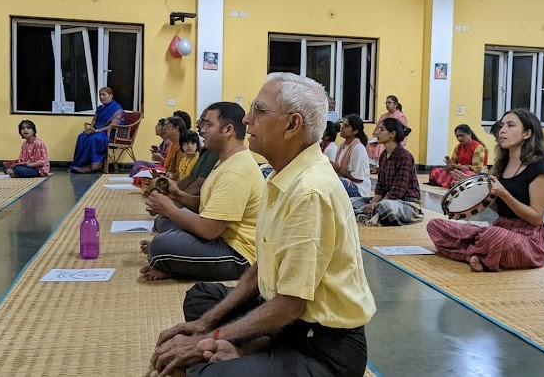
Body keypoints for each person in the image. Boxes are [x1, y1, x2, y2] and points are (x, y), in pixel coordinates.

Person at [150, 73, 375, 377]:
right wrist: (204, 325)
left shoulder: (310, 191)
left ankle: (254, 348)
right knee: (201, 298)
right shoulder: (279, 175)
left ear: (292, 125)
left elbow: (291, 305)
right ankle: (255, 346)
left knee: (201, 373)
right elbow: (258, 269)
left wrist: (213, 336)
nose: (247, 118)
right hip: (285, 322)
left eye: (259, 110)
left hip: (321, 347)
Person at [141, 102, 263, 282]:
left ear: (228, 130)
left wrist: (170, 208)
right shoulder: (224, 161)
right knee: (165, 222)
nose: (202, 130)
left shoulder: (235, 171)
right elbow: (210, 207)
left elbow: (209, 230)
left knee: (160, 245)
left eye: (208, 124)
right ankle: (171, 261)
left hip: (238, 254)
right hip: (219, 237)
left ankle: (168, 261)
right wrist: (178, 195)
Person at [427, 109, 544, 272]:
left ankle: (473, 252)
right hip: (499, 228)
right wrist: (475, 189)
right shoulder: (501, 166)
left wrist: (504, 194)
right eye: (502, 126)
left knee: (492, 235)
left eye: (511, 125)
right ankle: (476, 255)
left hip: (527, 239)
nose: (503, 130)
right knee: (435, 226)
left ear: (527, 133)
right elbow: (496, 205)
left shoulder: (538, 168)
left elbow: (536, 218)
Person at [352, 118, 423, 226]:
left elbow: (398, 191)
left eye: (381, 129)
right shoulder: (383, 155)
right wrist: (373, 203)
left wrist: (375, 205)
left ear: (392, 134)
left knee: (384, 207)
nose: (376, 133)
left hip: (407, 204)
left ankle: (368, 213)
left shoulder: (404, 157)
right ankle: (369, 213)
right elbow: (380, 185)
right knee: (352, 202)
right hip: (388, 199)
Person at [70, 87, 124, 173]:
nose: (101, 97)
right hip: (97, 131)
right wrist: (91, 128)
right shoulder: (100, 108)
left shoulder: (116, 108)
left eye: (104, 94)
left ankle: (93, 165)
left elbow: (113, 125)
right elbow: (95, 120)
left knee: (94, 139)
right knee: (82, 136)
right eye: (100, 95)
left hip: (109, 133)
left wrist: (98, 130)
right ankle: (78, 164)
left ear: (111, 95)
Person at [428, 124, 488, 188]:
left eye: (462, 135)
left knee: (468, 175)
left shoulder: (478, 147)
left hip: (473, 174)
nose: (459, 138)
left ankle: (452, 184)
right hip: (458, 172)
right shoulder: (458, 147)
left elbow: (477, 169)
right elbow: (454, 164)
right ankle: (454, 184)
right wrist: (450, 165)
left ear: (469, 134)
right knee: (436, 171)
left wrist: (458, 166)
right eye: (457, 136)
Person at [333, 114, 371, 198]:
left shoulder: (358, 148)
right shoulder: (342, 146)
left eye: (346, 126)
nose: (342, 128)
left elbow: (358, 178)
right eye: (342, 124)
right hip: (345, 181)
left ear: (355, 131)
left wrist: (337, 168)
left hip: (359, 188)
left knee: (333, 182)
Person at [366, 95, 408, 170]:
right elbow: (376, 130)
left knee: (381, 146)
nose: (387, 105)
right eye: (386, 103)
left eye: (389, 102)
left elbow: (402, 132)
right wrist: (377, 134)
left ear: (395, 105)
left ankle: (381, 167)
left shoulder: (401, 116)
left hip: (396, 139)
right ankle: (375, 166)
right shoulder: (383, 116)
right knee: (370, 144)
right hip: (384, 138)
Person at [157, 116, 188, 180]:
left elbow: (179, 173)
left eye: (166, 126)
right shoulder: (171, 145)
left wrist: (169, 175)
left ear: (176, 129)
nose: (164, 129)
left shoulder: (182, 148)